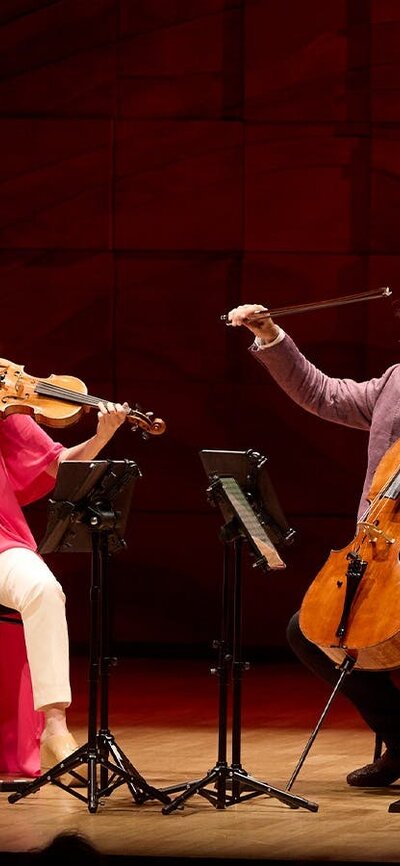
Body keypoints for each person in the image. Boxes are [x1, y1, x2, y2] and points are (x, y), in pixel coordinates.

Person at [228, 302, 400, 787]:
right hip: (383, 553)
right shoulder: (395, 381)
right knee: (310, 633)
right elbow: (323, 394)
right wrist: (270, 334)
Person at [0, 398, 129, 780]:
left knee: (42, 588)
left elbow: (57, 464)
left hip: (2, 542)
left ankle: (54, 728)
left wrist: (101, 436)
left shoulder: (5, 401)